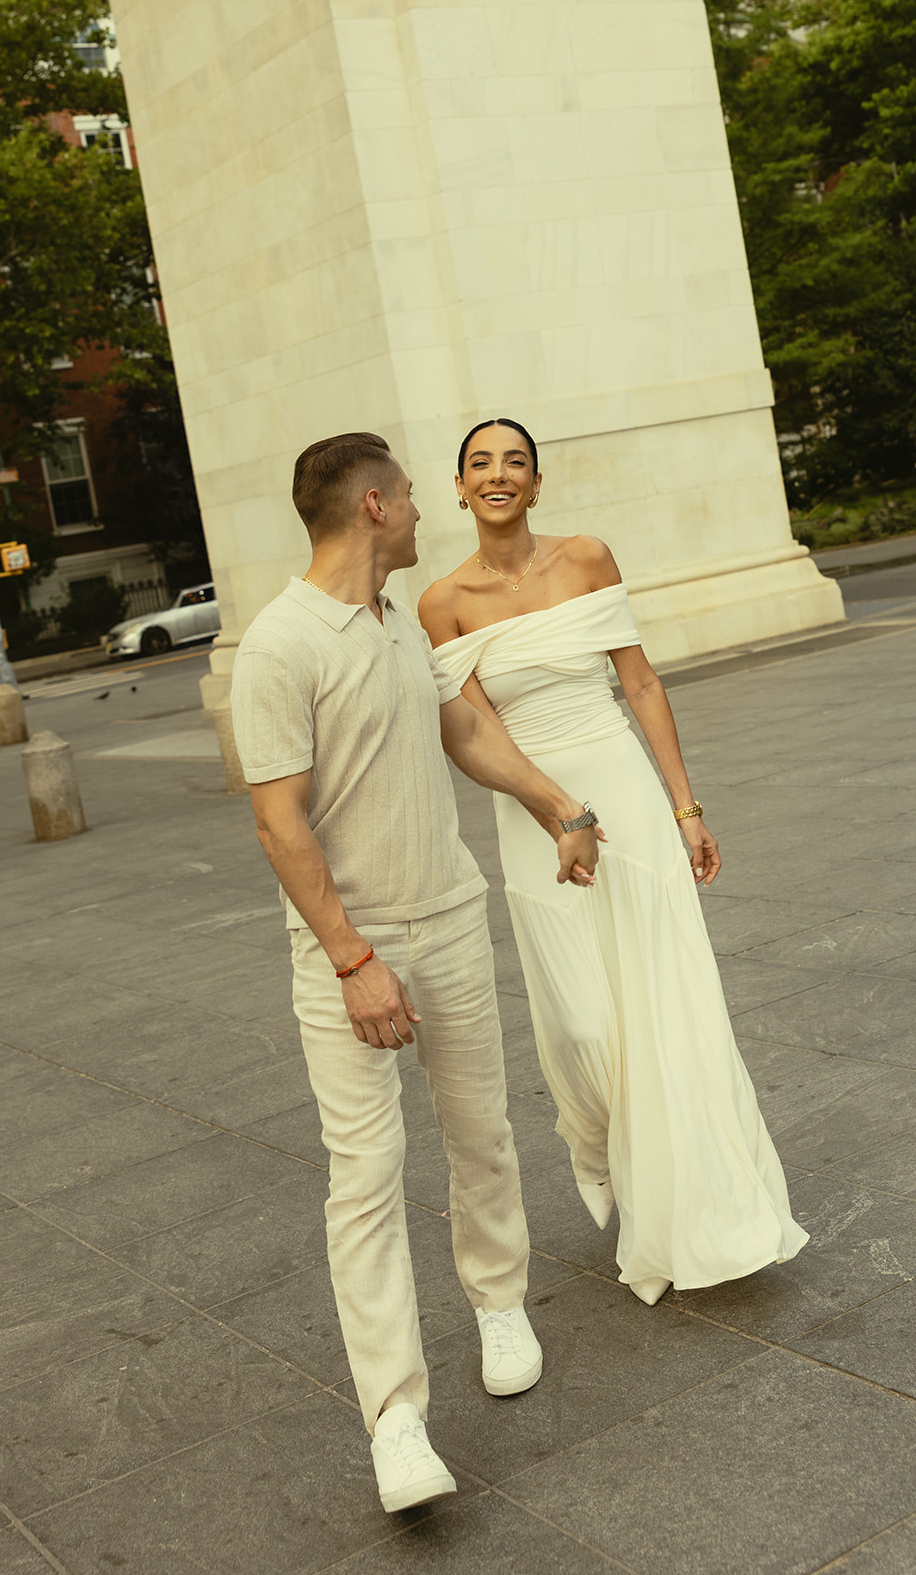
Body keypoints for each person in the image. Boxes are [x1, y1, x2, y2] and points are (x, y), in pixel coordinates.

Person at [229, 432, 602, 1514]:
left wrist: (559, 808)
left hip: (447, 917)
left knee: (480, 1128)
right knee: (366, 1177)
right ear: (378, 506)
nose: (425, 512)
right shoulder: (280, 645)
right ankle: (395, 1421)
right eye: (409, 495)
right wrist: (353, 960)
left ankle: (497, 1302)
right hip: (349, 950)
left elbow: (465, 731)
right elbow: (276, 821)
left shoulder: (400, 624)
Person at [418, 418, 809, 1308]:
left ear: (537, 481)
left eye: (514, 461)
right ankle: (598, 1147)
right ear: (457, 486)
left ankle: (701, 1215)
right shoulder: (441, 602)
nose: (497, 474)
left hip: (627, 800)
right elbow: (471, 733)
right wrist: (554, 813)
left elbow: (638, 682)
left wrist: (684, 807)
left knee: (669, 1006)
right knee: (585, 1027)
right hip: (534, 818)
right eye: (480, 463)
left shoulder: (589, 558)